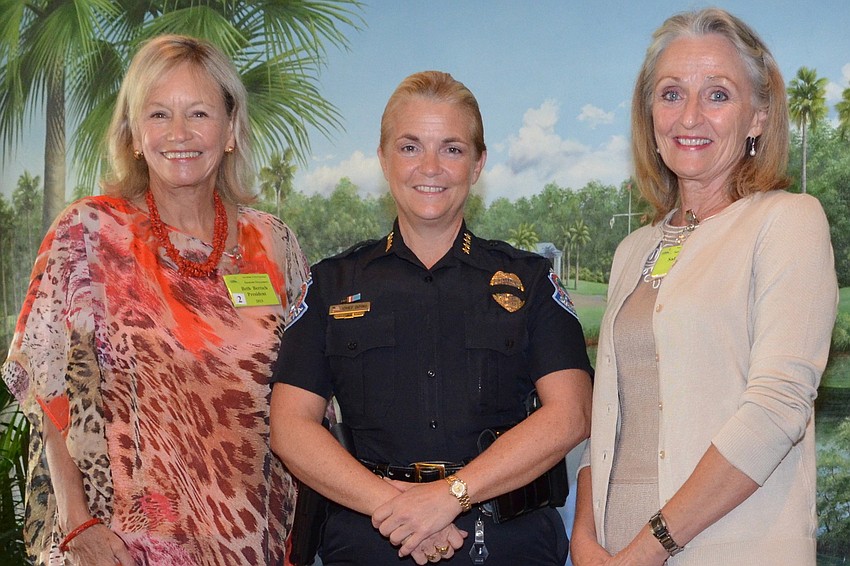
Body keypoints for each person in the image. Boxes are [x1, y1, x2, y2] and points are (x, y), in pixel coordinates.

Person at [2, 35, 310, 565]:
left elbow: (310, 393)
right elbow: (46, 389)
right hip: (126, 546)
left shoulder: (274, 243)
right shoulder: (88, 234)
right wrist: (78, 524)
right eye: (159, 114)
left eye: (199, 113)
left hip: (256, 538)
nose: (179, 133)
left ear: (231, 129)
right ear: (134, 134)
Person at [270, 70, 593, 566]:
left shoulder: (529, 281)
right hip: (370, 537)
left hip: (505, 541)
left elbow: (571, 412)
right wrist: (398, 509)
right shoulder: (331, 283)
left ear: (478, 163)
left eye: (452, 149)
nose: (430, 167)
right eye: (410, 147)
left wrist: (450, 496)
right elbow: (290, 427)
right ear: (383, 158)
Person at [570, 8, 838, 566]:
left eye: (717, 95)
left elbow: (777, 408)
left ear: (758, 117)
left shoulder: (788, 221)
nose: (689, 116)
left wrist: (650, 547)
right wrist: (583, 536)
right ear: (649, 114)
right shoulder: (632, 250)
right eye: (671, 94)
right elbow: (608, 417)